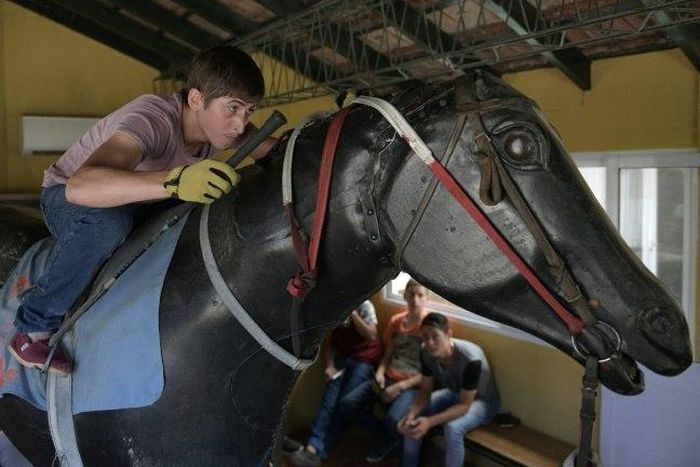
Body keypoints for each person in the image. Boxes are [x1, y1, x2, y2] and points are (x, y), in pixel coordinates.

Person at [8, 46, 275, 375]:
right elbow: (81, 187)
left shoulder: (221, 129)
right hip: (67, 196)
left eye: (248, 111)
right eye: (233, 108)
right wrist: (175, 181)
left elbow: (273, 148)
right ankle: (32, 326)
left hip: (137, 200)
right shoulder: (152, 118)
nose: (240, 124)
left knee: (205, 205)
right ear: (195, 99)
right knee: (108, 224)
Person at [336, 279, 428, 463]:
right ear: (405, 296)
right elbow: (387, 356)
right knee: (346, 406)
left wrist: (400, 387)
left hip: (411, 385)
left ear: (426, 298)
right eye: (411, 294)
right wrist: (379, 373)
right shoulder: (396, 321)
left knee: (393, 419)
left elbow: (430, 372)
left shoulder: (430, 325)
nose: (415, 300)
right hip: (386, 378)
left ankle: (388, 439)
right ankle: (387, 439)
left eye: (420, 295)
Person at [285, 300, 380, 466]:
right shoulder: (337, 305)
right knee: (328, 402)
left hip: (363, 363)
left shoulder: (366, 306)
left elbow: (371, 335)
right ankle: (312, 448)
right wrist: (329, 366)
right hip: (341, 361)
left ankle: (320, 453)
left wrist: (353, 312)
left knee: (344, 405)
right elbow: (330, 343)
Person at [398, 312, 500, 467]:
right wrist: (411, 414)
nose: (430, 342)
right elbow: (425, 391)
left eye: (435, 336)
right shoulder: (425, 351)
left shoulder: (471, 359)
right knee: (413, 414)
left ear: (448, 334)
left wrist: (430, 422)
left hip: (482, 400)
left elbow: (464, 406)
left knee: (453, 428)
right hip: (455, 391)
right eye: (425, 336)